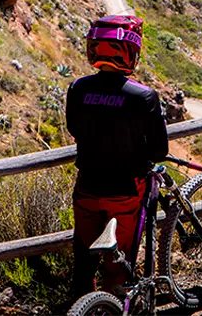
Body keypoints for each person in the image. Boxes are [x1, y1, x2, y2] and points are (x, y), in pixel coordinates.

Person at [66, 15, 169, 297]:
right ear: (130, 53)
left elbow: (74, 128)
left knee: (84, 262)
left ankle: (83, 306)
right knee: (118, 264)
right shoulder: (144, 97)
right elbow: (161, 150)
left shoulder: (77, 88)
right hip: (125, 192)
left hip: (87, 186)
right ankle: (114, 305)